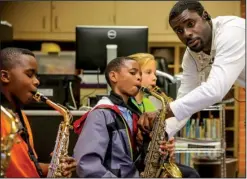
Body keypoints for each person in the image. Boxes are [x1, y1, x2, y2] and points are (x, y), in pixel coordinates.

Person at [138, 0, 245, 138]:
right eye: (179, 30)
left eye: (190, 24)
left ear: (205, 16)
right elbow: (185, 99)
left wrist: (163, 112)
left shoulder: (232, 32)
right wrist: (162, 134)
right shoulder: (191, 56)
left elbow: (215, 90)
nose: (186, 33)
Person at [73, 56, 172, 178]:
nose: (139, 77)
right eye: (133, 72)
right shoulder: (101, 114)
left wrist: (156, 147)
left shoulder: (133, 113)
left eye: (140, 74)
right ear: (113, 76)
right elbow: (86, 164)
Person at [0, 47, 76, 177]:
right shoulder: (4, 119)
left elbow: (26, 167)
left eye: (36, 76)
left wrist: (55, 167)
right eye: (29, 74)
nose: (37, 81)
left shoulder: (20, 116)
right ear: (5, 76)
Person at [129, 53, 200, 178]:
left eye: (155, 73)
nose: (154, 78)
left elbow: (159, 134)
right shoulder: (126, 106)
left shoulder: (149, 103)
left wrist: (167, 144)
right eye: (148, 72)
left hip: (152, 161)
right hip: (137, 164)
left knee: (191, 173)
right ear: (134, 75)